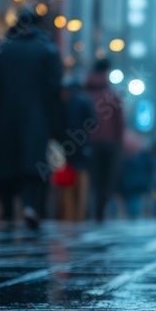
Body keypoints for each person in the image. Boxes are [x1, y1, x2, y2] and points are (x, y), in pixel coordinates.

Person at [0, 9, 63, 230]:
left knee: (6, 163)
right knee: (32, 163)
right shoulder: (47, 50)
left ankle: (7, 210)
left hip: (4, 117)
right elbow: (54, 90)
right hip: (36, 118)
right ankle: (29, 205)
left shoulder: (2, 49)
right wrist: (56, 124)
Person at [84, 58, 124, 222]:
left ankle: (87, 210)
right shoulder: (111, 94)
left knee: (91, 179)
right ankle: (99, 212)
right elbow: (119, 123)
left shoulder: (84, 92)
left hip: (87, 142)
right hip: (109, 144)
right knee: (106, 181)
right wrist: (118, 144)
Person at [59, 77, 96, 221]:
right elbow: (93, 123)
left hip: (66, 147)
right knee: (82, 184)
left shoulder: (64, 101)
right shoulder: (85, 100)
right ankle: (79, 215)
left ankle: (67, 214)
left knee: (67, 184)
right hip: (82, 147)